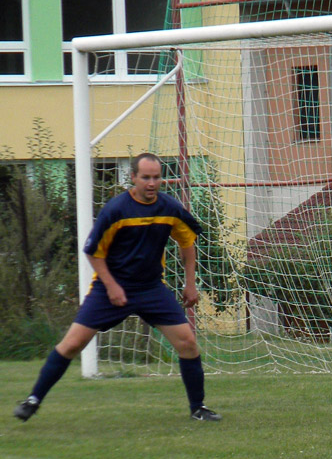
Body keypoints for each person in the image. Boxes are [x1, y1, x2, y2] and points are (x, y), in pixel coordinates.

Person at [13, 153, 220, 423]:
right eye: (145, 177)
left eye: (156, 177)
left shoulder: (170, 207)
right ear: (133, 177)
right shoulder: (116, 210)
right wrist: (111, 287)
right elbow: (93, 253)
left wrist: (190, 283)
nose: (151, 183)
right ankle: (33, 400)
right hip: (110, 288)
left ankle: (198, 408)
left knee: (188, 343)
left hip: (151, 289)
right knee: (73, 344)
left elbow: (187, 242)